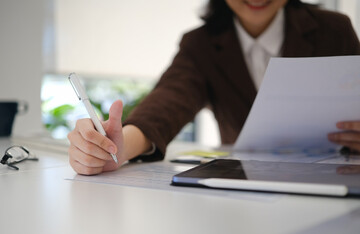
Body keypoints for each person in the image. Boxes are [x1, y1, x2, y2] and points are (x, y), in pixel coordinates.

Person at [67, 0, 360, 175]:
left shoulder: (334, 30)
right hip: (245, 189)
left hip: (338, 177)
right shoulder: (201, 45)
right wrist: (117, 148)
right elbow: (166, 104)